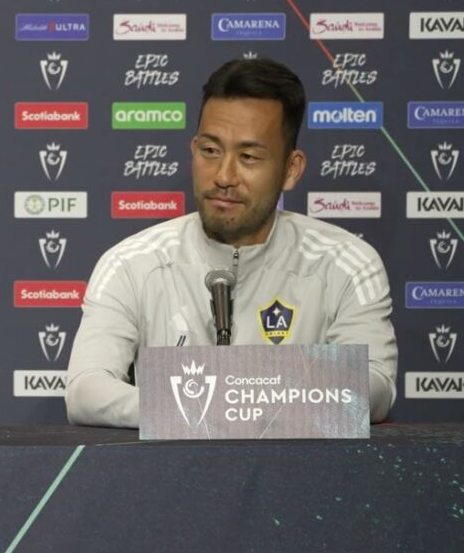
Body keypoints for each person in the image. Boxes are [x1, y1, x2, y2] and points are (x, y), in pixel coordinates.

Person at [65, 57, 397, 428]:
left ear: (291, 169)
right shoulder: (131, 264)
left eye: (249, 157)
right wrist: (203, 409)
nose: (224, 175)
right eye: (210, 151)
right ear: (193, 149)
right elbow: (85, 392)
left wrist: (246, 405)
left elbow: (374, 387)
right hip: (171, 466)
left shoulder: (346, 264)